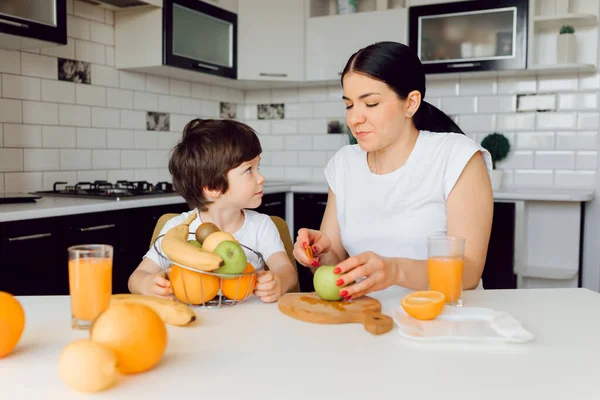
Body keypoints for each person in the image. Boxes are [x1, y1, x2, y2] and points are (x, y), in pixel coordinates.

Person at [293, 41, 494, 301]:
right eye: (349, 105)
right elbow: (336, 267)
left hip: (444, 316)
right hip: (369, 317)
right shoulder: (344, 163)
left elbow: (469, 272)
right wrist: (320, 253)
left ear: (410, 103)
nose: (354, 118)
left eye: (371, 103)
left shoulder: (457, 157)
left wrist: (394, 270)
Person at [129, 119, 298, 303]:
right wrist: (147, 284)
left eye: (258, 167)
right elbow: (137, 277)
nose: (261, 177)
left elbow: (286, 269)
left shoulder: (261, 226)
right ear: (212, 186)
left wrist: (278, 282)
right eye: (249, 170)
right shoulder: (178, 230)